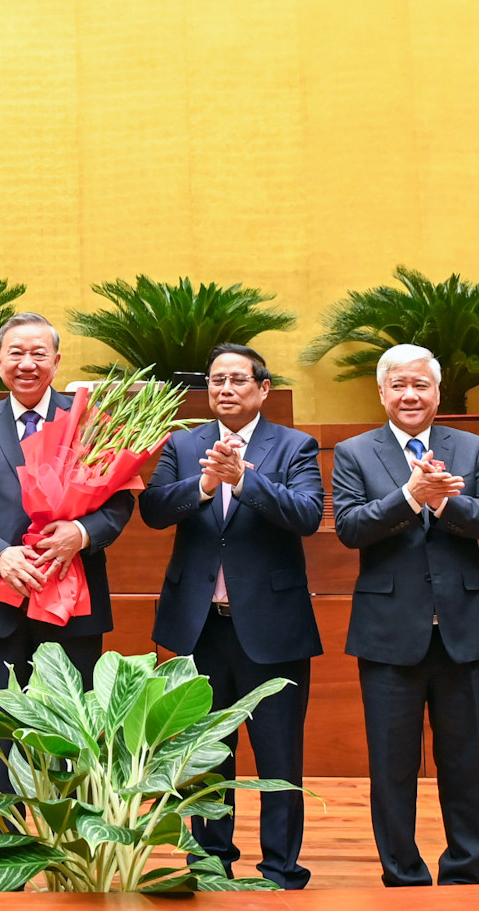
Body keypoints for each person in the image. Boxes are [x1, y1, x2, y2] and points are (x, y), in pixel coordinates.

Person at [139, 343, 322, 889]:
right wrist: (204, 484)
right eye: (217, 380)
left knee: (278, 753)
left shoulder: (295, 445)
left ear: (263, 389)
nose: (225, 389)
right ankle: (210, 863)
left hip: (272, 626)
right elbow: (152, 509)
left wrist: (243, 479)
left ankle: (281, 868)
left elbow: (307, 515)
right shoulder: (183, 442)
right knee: (205, 752)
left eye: (238, 380)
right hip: (200, 625)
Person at [333, 343, 479, 887]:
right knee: (392, 766)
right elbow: (350, 527)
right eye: (400, 386)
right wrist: (410, 496)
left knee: (464, 763)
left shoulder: (473, 447)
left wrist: (443, 503)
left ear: (437, 393)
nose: (411, 395)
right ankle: (402, 872)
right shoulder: (354, 452)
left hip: (463, 628)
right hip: (388, 633)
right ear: (382, 392)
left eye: (422, 386)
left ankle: (466, 868)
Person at [0, 312, 134, 798]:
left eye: (38, 353)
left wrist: (81, 532)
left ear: (57, 360)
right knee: (1, 734)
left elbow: (118, 501)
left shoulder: (89, 418)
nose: (27, 363)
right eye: (16, 353)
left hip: (74, 602)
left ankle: (72, 862)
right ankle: (2, 863)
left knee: (75, 732)